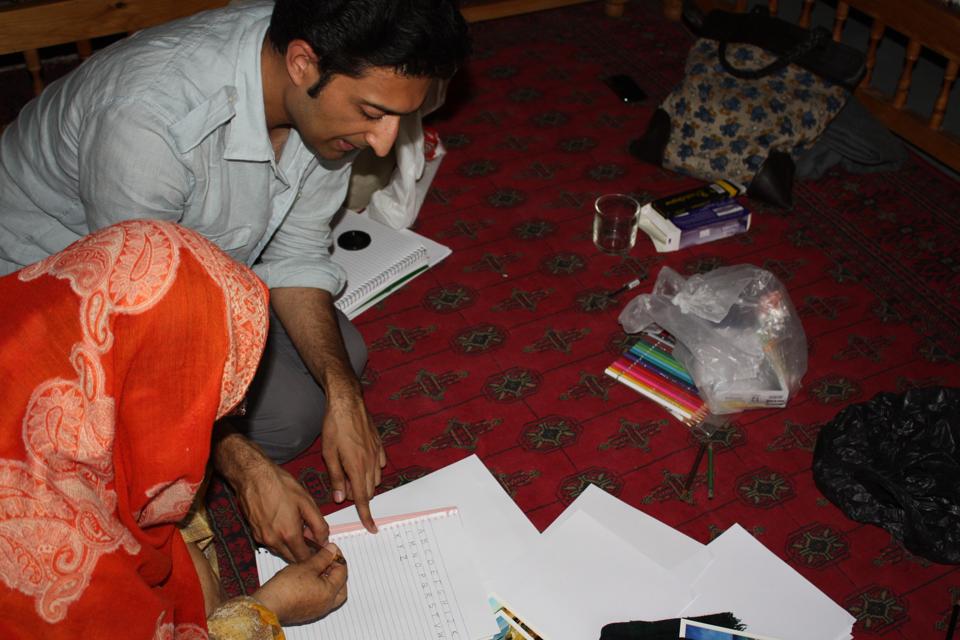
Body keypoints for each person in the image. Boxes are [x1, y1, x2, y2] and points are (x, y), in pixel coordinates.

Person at [0, 0, 471, 555]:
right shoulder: (147, 126)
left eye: (398, 117)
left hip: (201, 264)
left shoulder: (325, 75)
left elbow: (295, 244)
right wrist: (247, 470)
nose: (385, 142)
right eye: (372, 112)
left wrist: (345, 394)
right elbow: (140, 335)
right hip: (52, 292)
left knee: (344, 360)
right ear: (302, 64)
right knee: (289, 421)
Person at [0, 220, 347, 638]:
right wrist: (267, 608)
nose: (215, 424)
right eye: (201, 409)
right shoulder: (50, 549)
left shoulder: (45, 345)